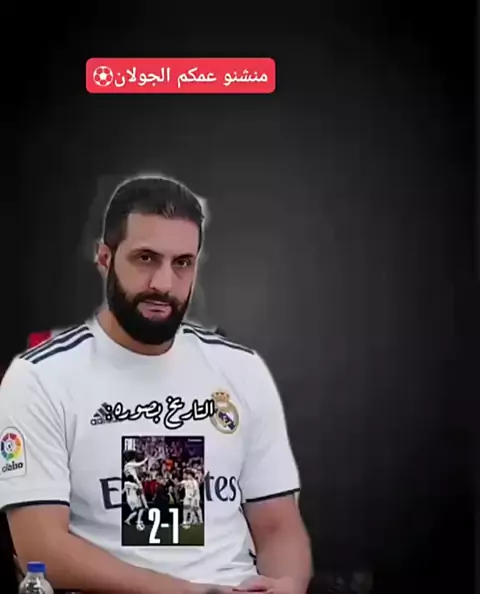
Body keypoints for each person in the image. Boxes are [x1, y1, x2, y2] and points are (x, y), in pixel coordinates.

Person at [0, 175, 312, 594]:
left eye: (182, 262)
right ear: (105, 258)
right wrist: (191, 592)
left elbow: (277, 526)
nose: (163, 284)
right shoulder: (41, 377)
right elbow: (41, 549)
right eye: (146, 258)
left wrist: (287, 585)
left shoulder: (241, 369)